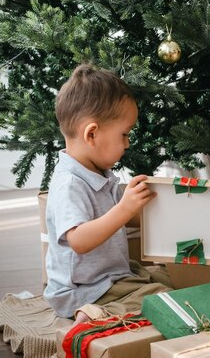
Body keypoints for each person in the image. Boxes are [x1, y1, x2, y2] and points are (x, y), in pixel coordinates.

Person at [44, 64, 170, 323]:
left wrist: (140, 206)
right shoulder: (69, 183)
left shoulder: (99, 173)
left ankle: (115, 304)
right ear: (92, 134)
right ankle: (96, 314)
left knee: (163, 277)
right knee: (161, 296)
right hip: (82, 289)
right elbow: (78, 240)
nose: (127, 143)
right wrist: (124, 208)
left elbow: (118, 219)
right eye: (124, 134)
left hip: (108, 276)